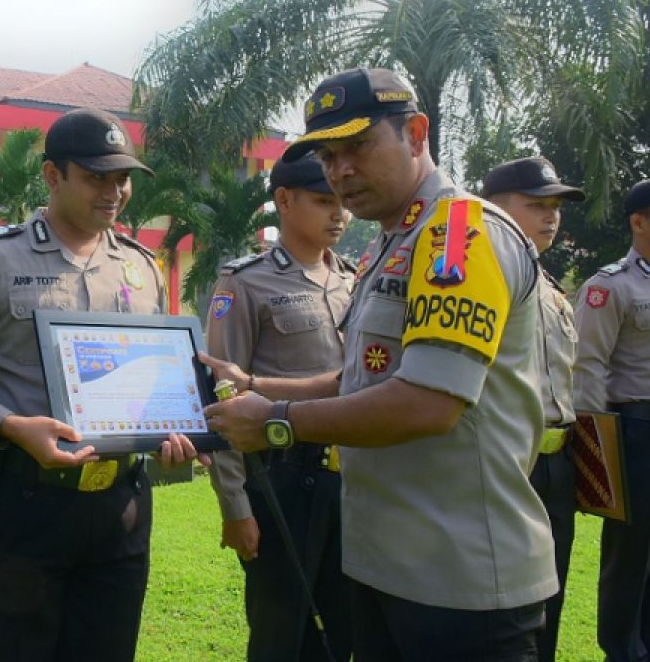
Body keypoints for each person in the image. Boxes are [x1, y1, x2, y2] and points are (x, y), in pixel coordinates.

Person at [204, 67, 556, 662]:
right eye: (329, 155)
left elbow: (428, 401)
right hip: (388, 567)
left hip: (461, 580)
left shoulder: (457, 238)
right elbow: (362, 378)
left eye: (360, 146)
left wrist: (276, 420)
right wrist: (256, 384)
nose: (341, 170)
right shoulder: (396, 242)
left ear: (417, 133)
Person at [0, 107, 201, 662]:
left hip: (119, 505)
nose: (114, 192)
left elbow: (158, 376)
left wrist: (176, 425)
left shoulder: (141, 268)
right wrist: (11, 426)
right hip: (22, 503)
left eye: (123, 178)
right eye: (96, 177)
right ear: (52, 176)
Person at [205, 154, 355, 662]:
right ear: (284, 201)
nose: (339, 214)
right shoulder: (246, 281)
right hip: (282, 478)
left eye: (342, 202)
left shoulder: (355, 279)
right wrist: (235, 506)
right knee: (281, 633)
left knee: (345, 627)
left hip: (353, 481)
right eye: (323, 201)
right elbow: (224, 398)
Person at [482, 156, 585, 662]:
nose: (551, 217)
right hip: (505, 460)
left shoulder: (550, 291)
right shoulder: (478, 277)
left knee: (553, 594)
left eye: (555, 208)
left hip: (556, 462)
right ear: (493, 209)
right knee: (504, 607)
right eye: (536, 205)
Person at [573, 177, 650, 662]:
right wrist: (596, 454)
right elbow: (587, 369)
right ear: (639, 222)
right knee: (631, 561)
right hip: (639, 434)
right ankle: (624, 652)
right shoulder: (611, 287)